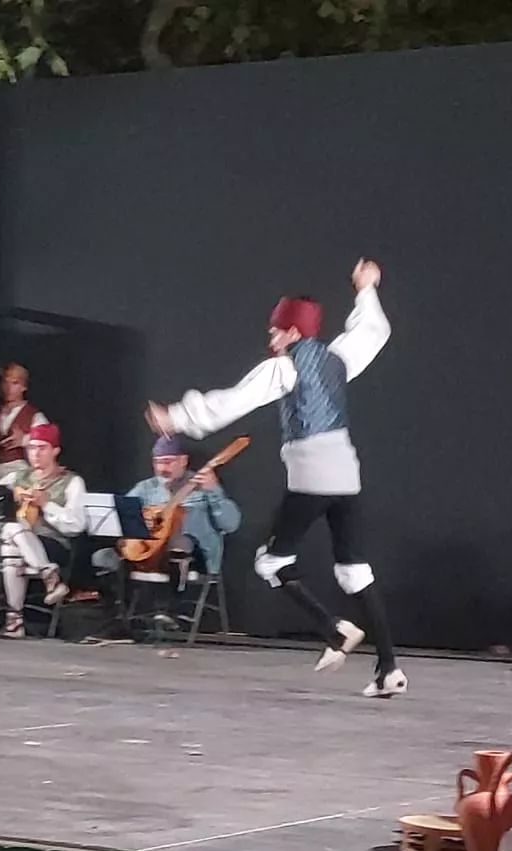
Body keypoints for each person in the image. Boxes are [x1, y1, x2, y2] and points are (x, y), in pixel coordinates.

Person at [145, 258, 405, 698]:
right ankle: (389, 667)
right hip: (346, 473)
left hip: (313, 474)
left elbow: (233, 401)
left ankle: (335, 630)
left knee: (271, 561)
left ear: (293, 332)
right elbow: (372, 331)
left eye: (276, 329)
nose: (270, 337)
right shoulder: (338, 359)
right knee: (354, 568)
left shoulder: (284, 367)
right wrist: (366, 288)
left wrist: (176, 416)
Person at [0, 424, 87, 638]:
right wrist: (7, 502)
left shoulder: (71, 482)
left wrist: (47, 505)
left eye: (42, 448)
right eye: (32, 448)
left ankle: (15, 620)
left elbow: (76, 526)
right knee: (11, 532)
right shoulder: (16, 478)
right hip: (19, 545)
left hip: (52, 543)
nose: (35, 453)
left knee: (10, 534)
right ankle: (49, 577)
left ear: (55, 451)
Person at [97, 435, 242, 581]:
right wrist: (140, 523)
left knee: (180, 533)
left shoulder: (204, 486)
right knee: (103, 557)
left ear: (183, 461)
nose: (161, 468)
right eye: (157, 462)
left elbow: (230, 525)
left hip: (196, 558)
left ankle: (176, 568)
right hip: (150, 552)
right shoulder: (145, 488)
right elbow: (121, 517)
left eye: (167, 462)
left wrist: (214, 490)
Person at [0, 363, 48, 483]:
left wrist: (24, 440)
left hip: (22, 474)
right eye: (5, 382)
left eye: (14, 383)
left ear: (24, 387)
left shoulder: (34, 416)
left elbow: (47, 443)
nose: (9, 388)